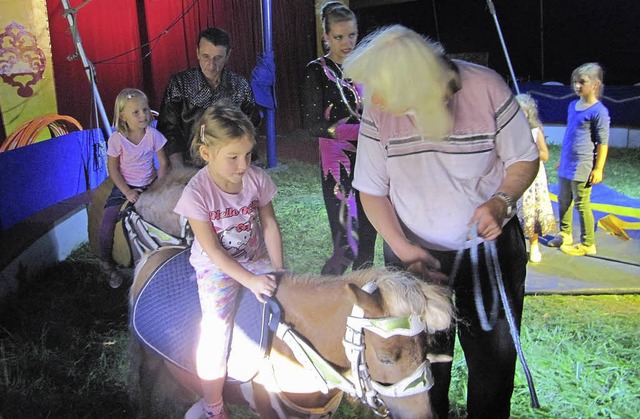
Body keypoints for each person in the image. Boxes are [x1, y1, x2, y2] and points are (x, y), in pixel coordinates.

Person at [343, 25, 540, 418]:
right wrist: (403, 248)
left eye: (386, 93)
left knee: (493, 361)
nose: (377, 101)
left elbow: (524, 158)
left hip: (488, 251)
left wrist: (501, 202)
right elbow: (371, 189)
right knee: (424, 359)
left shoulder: (485, 88)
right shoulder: (380, 108)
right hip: (415, 254)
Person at [174, 103, 283, 419]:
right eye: (233, 157)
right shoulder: (197, 193)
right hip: (215, 267)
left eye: (248, 155)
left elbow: (270, 225)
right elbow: (214, 251)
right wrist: (249, 280)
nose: (243, 165)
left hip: (254, 257)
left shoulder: (255, 179)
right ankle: (213, 405)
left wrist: (277, 269)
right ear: (206, 153)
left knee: (286, 304)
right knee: (215, 331)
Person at [300, 1, 377, 275]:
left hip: (371, 162)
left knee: (368, 239)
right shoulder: (317, 71)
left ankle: (362, 306)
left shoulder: (367, 68)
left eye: (352, 35)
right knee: (346, 243)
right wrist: (364, 131)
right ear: (326, 37)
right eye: (339, 37)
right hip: (338, 167)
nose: (347, 43)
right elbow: (312, 125)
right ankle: (325, 296)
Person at [157, 27, 260, 168]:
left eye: (218, 58)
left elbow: (251, 128)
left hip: (228, 165)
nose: (211, 66)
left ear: (228, 55)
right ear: (197, 53)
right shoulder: (179, 83)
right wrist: (179, 169)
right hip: (188, 165)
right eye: (206, 57)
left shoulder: (240, 86)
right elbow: (168, 129)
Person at [99, 88, 169, 288]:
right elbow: (112, 169)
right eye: (136, 112)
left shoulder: (154, 135)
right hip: (125, 186)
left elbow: (163, 164)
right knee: (107, 222)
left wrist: (159, 187)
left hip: (150, 184)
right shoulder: (117, 139)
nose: (143, 115)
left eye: (145, 110)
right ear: (123, 116)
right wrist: (127, 191)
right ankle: (106, 263)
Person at [548, 62, 610, 256]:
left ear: (595, 84)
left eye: (582, 82)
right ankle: (565, 234)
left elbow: (603, 142)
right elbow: (570, 134)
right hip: (567, 161)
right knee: (563, 199)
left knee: (582, 203)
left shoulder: (599, 111)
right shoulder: (572, 105)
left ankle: (588, 243)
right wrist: (562, 158)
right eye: (575, 82)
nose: (577, 86)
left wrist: (598, 169)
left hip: (583, 164)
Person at [515, 93, 556, 263]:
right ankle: (516, 247)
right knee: (515, 214)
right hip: (515, 176)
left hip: (533, 179)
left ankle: (534, 246)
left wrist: (530, 153)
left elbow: (545, 155)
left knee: (533, 211)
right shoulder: (510, 132)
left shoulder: (535, 131)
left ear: (528, 114)